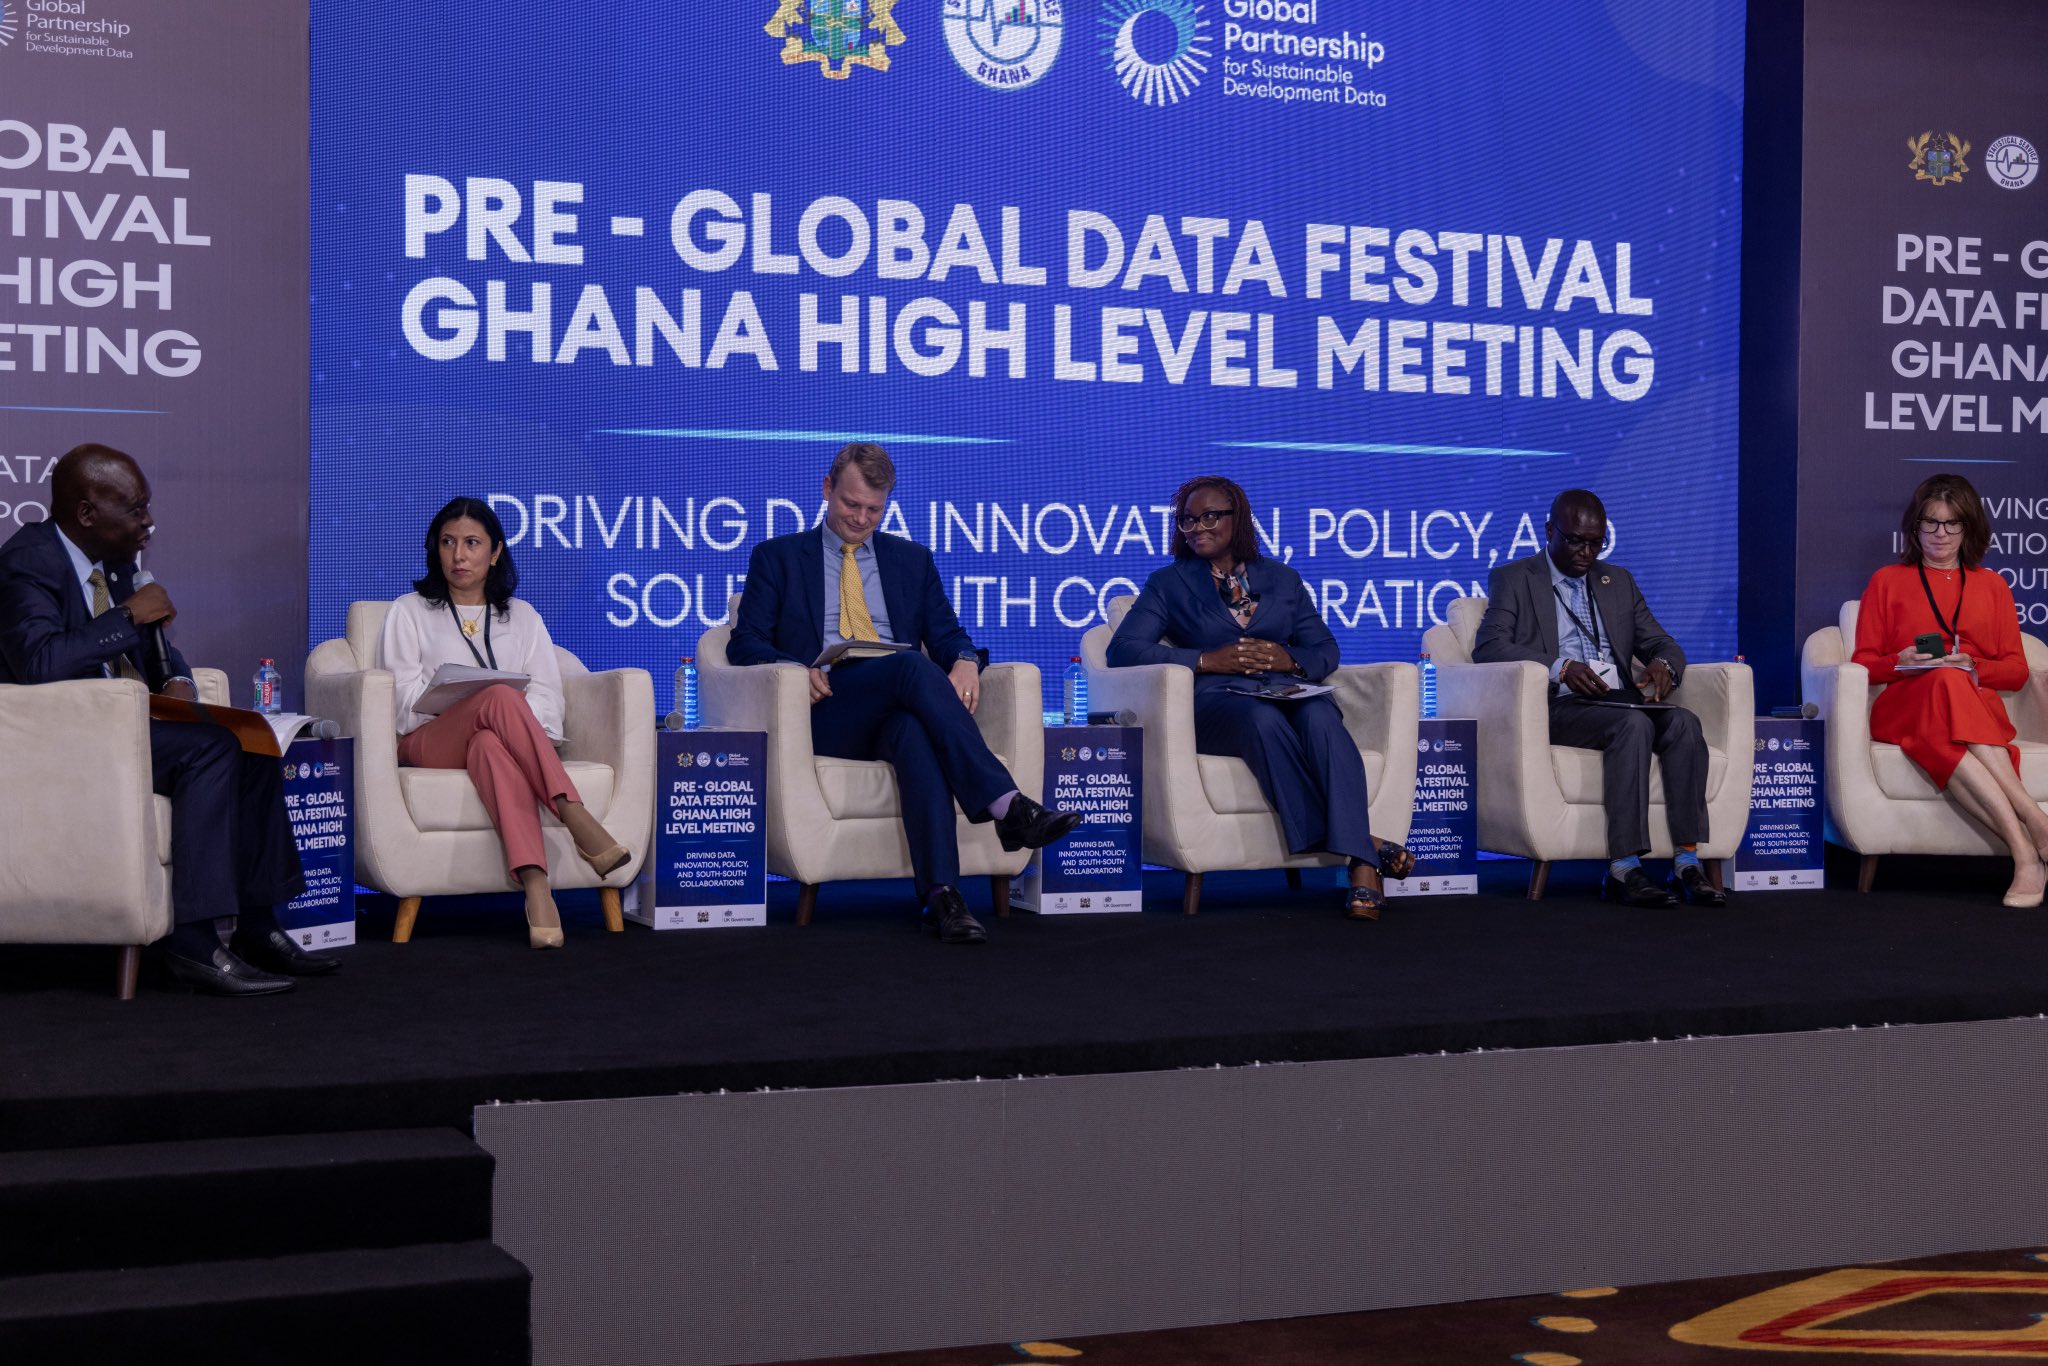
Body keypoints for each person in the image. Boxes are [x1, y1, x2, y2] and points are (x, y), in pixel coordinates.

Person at [0, 444, 336, 994]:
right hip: (62, 743)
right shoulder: (26, 562)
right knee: (212, 749)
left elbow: (159, 653)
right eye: (135, 509)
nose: (148, 522)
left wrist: (179, 683)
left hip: (125, 730)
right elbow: (38, 664)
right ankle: (194, 944)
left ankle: (257, 926)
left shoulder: (117, 564)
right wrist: (127, 615)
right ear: (87, 513)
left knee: (251, 742)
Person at [727, 442, 1081, 944]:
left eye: (874, 509)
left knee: (914, 732)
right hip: (825, 708)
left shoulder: (911, 560)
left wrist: (964, 660)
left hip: (894, 706)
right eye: (851, 504)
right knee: (912, 664)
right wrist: (793, 668)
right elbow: (745, 643)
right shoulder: (779, 557)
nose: (861, 519)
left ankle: (943, 897)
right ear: (827, 489)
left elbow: (950, 635)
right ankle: (1007, 805)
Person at [1105, 475, 1412, 919]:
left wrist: (1289, 658)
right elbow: (1122, 649)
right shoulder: (1169, 583)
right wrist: (1206, 660)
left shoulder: (1283, 579)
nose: (1196, 528)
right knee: (1259, 719)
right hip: (1218, 703)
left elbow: (1325, 649)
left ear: (1239, 519)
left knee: (1321, 717)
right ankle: (1365, 855)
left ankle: (1361, 853)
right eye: (1187, 520)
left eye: (1209, 517)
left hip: (1288, 690)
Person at [377, 497, 629, 949]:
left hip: (493, 739)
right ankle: (574, 815)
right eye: (448, 543)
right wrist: (468, 700)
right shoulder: (408, 610)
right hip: (425, 741)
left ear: (494, 552)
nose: (458, 555)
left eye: (472, 543)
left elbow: (548, 696)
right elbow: (398, 704)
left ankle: (537, 889)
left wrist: (501, 719)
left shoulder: (524, 616)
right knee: (497, 696)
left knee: (491, 744)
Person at [1472, 488, 1723, 908]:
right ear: (1549, 531)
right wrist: (1561, 667)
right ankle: (1624, 868)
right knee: (1632, 724)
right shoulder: (1515, 578)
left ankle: (1686, 862)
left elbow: (1662, 642)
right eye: (1575, 541)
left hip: (1618, 698)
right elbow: (1489, 647)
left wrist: (1663, 665)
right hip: (1559, 705)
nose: (1586, 553)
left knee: (1683, 722)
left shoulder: (1617, 581)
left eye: (1596, 543)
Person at [1851, 473, 2045, 908]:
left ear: (1968, 528)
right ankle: (2034, 818)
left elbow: (2016, 673)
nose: (1940, 533)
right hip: (1904, 705)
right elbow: (1863, 663)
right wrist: (1900, 660)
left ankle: (2026, 855)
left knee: (1949, 692)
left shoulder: (1992, 586)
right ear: (1915, 526)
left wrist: (1973, 665)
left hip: (1971, 708)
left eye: (1952, 523)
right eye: (1931, 522)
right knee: (1942, 679)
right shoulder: (1887, 580)